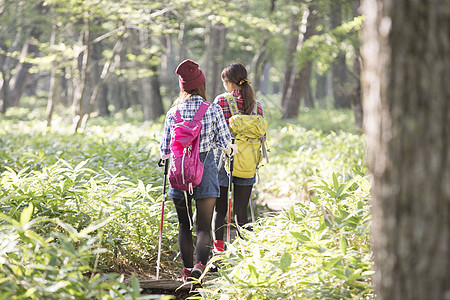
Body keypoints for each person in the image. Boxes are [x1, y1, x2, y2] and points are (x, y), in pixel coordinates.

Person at [160, 59, 237, 283]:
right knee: (204, 226)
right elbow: (224, 143)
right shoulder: (212, 109)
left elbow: (165, 151)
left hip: (178, 173)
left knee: (184, 225)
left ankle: (185, 272)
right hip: (206, 170)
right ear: (201, 85)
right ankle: (199, 267)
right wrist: (233, 149)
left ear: (183, 87)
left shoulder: (172, 113)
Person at [212, 62, 264, 253]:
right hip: (248, 162)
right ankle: (246, 253)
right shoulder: (256, 105)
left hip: (223, 163)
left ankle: (219, 253)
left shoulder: (221, 101)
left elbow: (215, 134)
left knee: (220, 210)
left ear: (228, 82)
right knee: (241, 212)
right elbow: (262, 137)